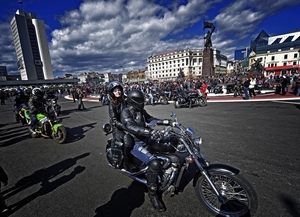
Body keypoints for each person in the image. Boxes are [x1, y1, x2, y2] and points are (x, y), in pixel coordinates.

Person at [121, 89, 172, 212]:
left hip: (147, 138)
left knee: (170, 142)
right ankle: (153, 195)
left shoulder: (140, 110)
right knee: (154, 163)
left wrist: (166, 122)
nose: (142, 102)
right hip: (135, 143)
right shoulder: (126, 112)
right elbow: (131, 126)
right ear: (133, 101)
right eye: (139, 100)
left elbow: (151, 119)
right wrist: (150, 132)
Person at [107, 81, 135, 172]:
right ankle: (127, 163)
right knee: (126, 141)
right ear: (112, 93)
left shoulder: (124, 100)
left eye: (119, 90)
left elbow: (131, 109)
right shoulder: (112, 104)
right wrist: (125, 126)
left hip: (127, 124)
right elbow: (114, 120)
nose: (118, 92)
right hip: (117, 127)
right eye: (115, 91)